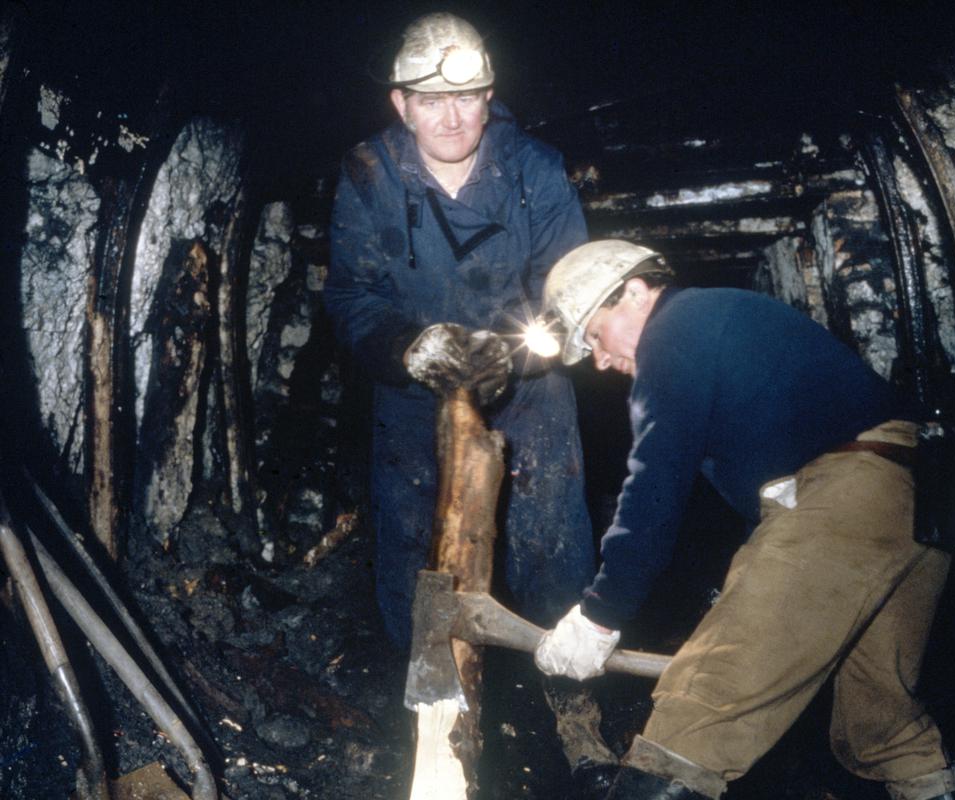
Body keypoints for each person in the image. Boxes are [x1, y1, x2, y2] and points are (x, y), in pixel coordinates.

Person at [533, 240, 955, 800]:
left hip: (850, 495)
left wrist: (600, 614)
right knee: (881, 725)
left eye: (594, 334)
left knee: (696, 716)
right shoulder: (722, 318)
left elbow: (653, 486)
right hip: (913, 500)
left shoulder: (674, 330)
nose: (598, 359)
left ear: (636, 293)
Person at [324, 13, 616, 792]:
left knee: (555, 538)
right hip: (414, 391)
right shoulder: (367, 176)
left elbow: (575, 286)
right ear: (401, 103)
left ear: (490, 96)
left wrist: (529, 345)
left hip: (527, 389)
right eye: (431, 101)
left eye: (470, 97)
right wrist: (406, 348)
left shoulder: (535, 169)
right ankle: (434, 722)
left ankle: (575, 711)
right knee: (416, 554)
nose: (452, 118)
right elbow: (351, 295)